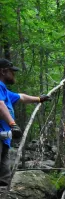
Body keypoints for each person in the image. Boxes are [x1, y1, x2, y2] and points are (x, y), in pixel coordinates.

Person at [0, 58, 51, 186]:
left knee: (4, 180)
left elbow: (21, 97)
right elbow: (0, 105)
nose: (14, 74)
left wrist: (39, 99)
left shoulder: (4, 90)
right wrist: (13, 124)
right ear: (3, 71)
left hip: (4, 140)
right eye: (12, 71)